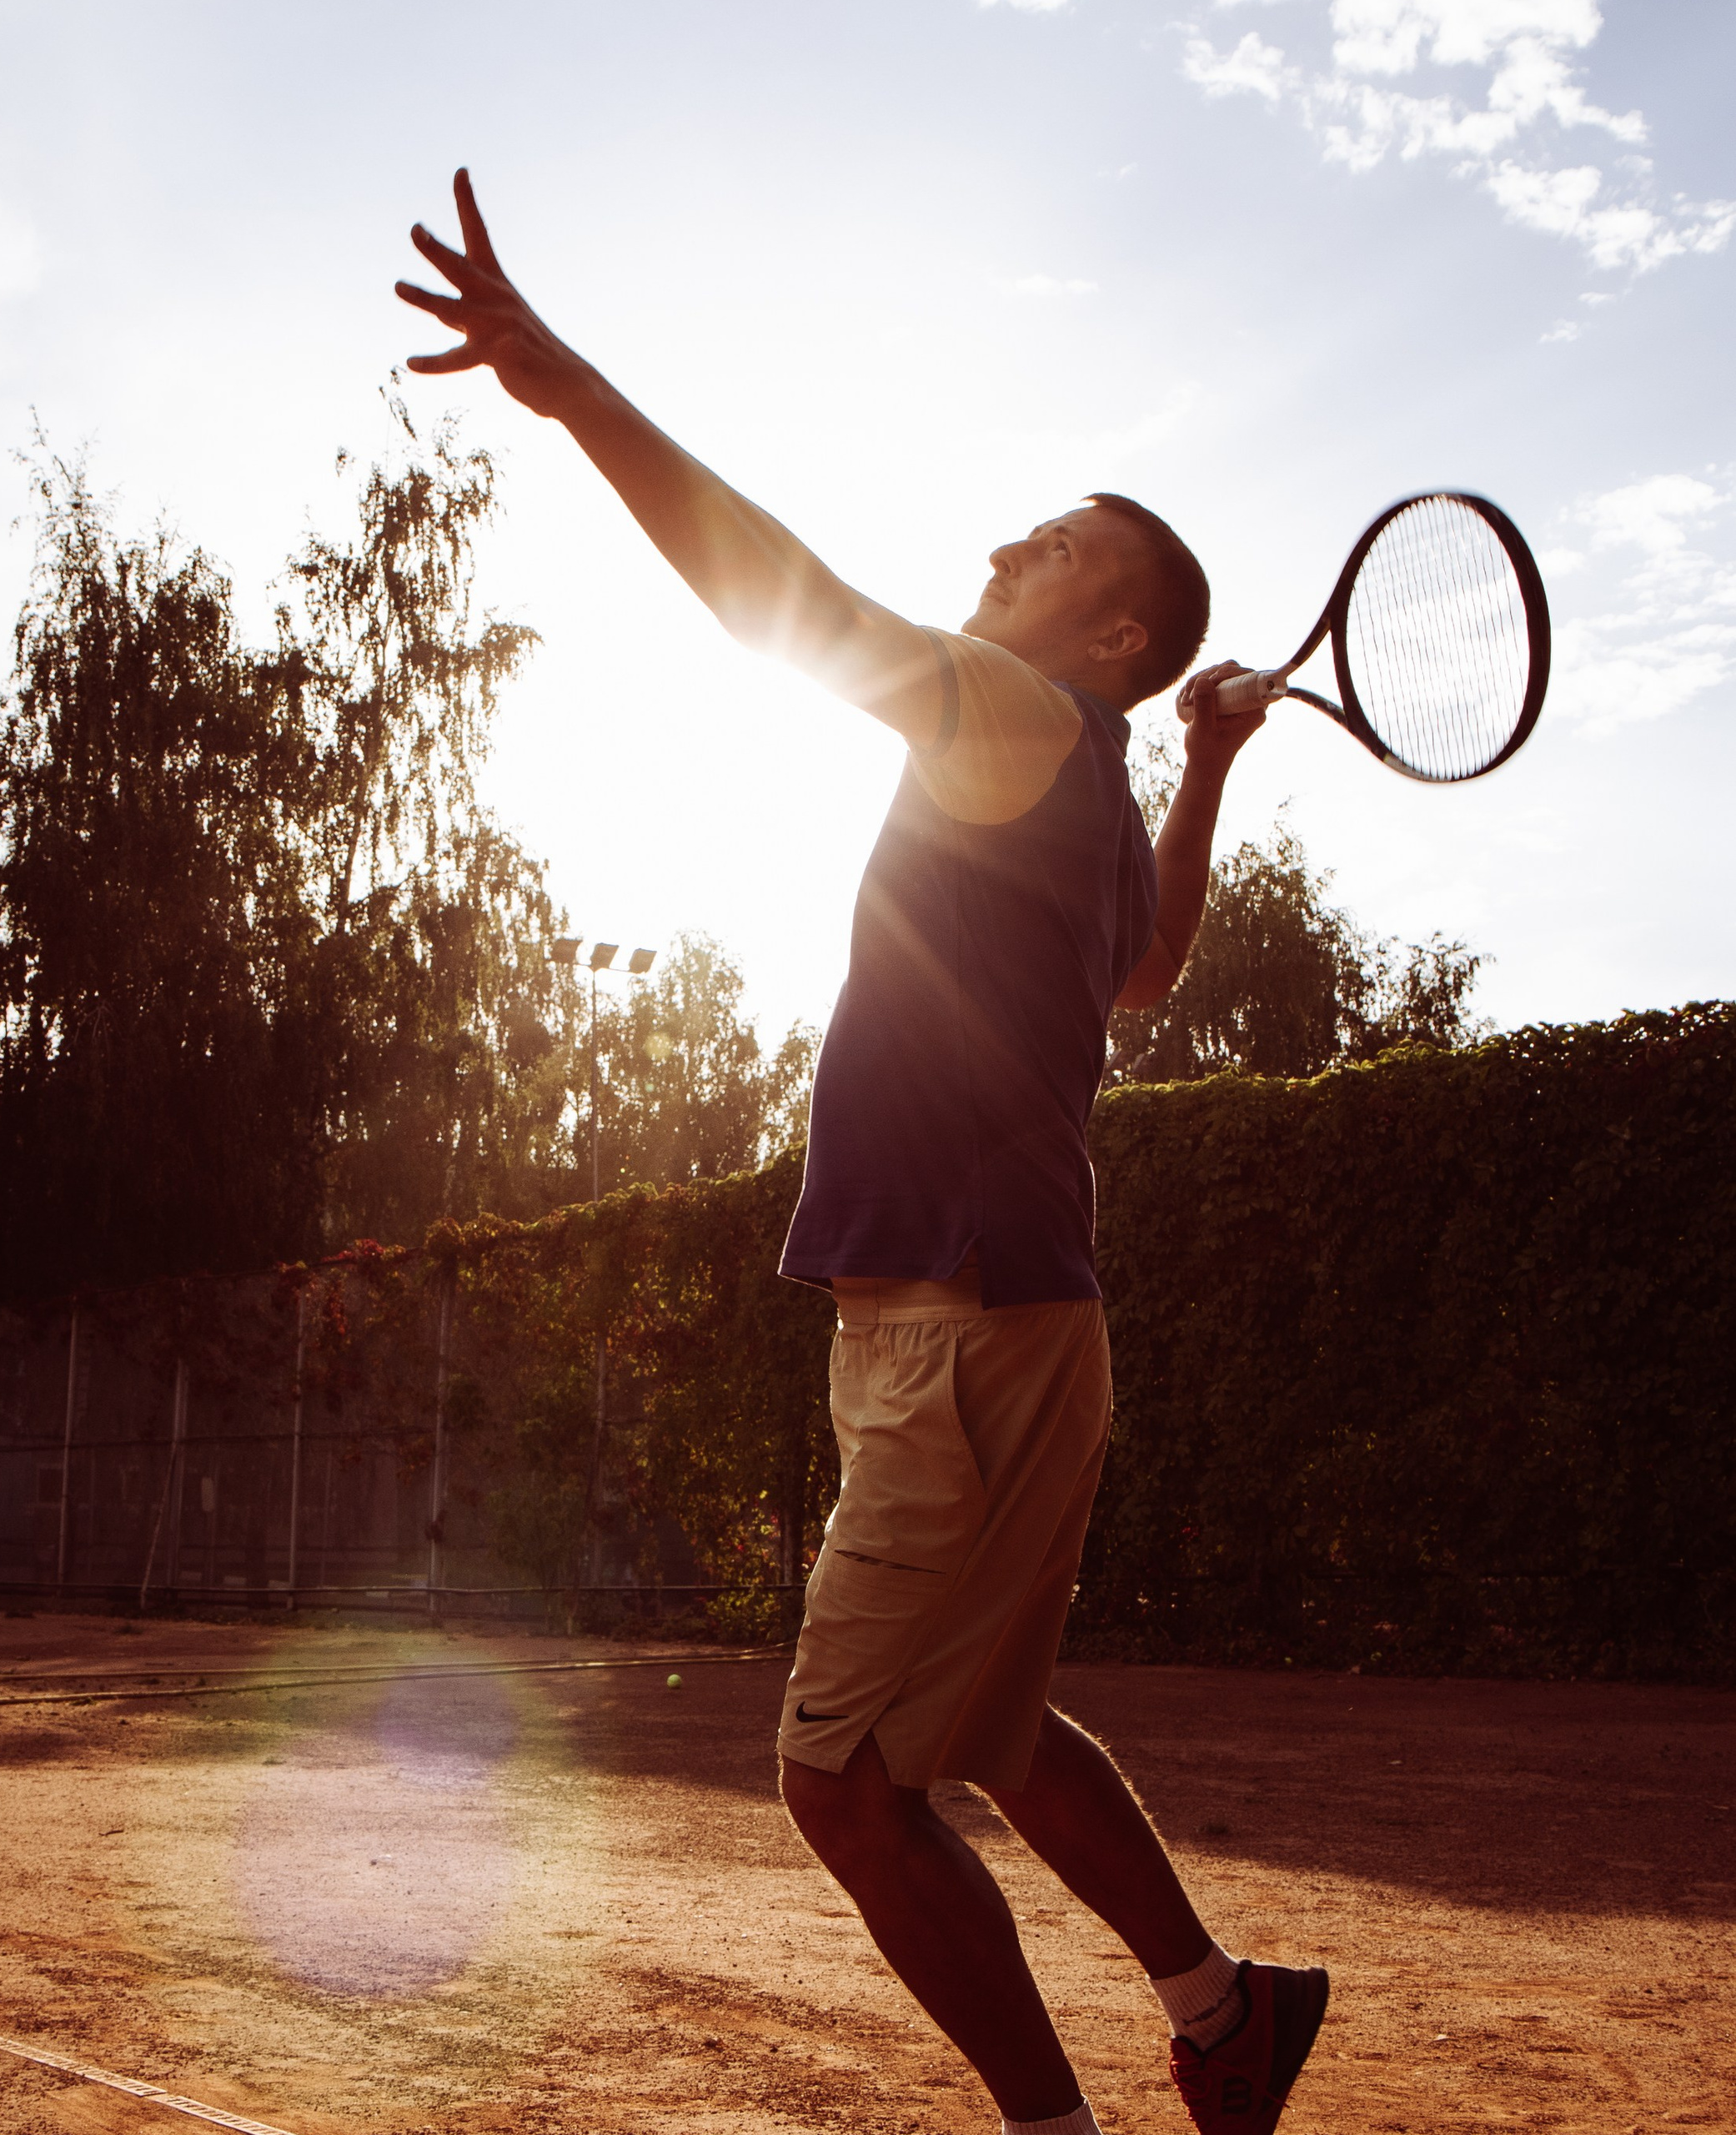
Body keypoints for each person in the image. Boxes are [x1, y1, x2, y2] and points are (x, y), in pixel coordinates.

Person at [398, 169, 1328, 2135]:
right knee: (987, 1726)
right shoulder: (1082, 780)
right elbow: (1151, 974)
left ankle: (1054, 2124)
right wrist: (1210, 763)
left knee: (841, 1781)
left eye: (1054, 536)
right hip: (1023, 1329)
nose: (1008, 540)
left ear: (1115, 617)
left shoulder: (1011, 712)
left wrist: (565, 384)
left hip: (956, 1332)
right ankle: (1219, 2009)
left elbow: (781, 597)